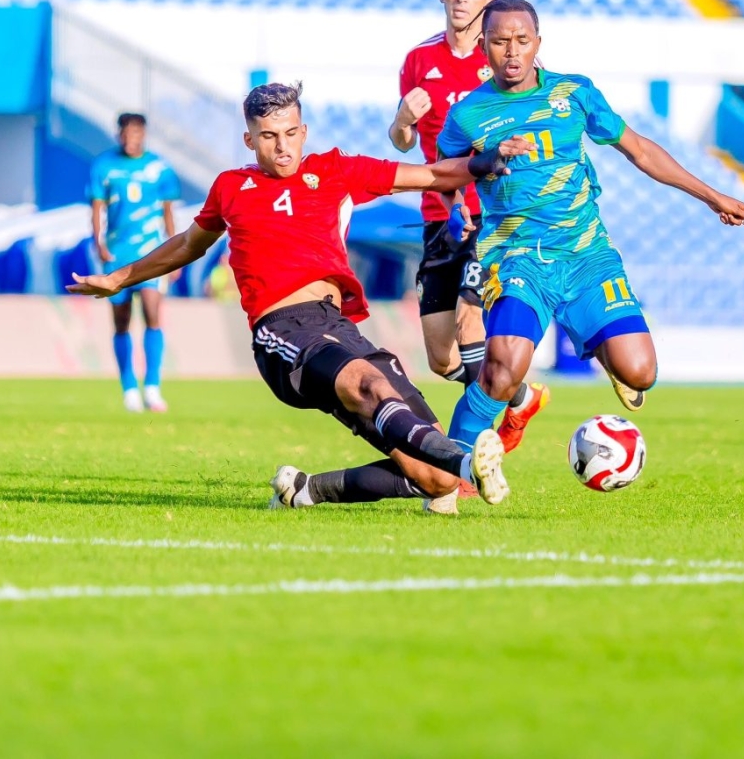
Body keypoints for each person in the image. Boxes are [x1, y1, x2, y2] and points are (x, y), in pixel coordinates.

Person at [70, 82, 529, 510]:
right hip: (282, 331)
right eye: (268, 136)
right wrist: (117, 279)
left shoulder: (334, 170)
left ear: (304, 130)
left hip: (339, 327)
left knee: (433, 480)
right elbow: (189, 244)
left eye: (291, 133)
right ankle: (467, 463)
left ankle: (306, 490)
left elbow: (429, 174)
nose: (283, 146)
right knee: (367, 384)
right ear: (250, 140)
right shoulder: (232, 187)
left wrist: (481, 163)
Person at [436, 0, 744, 453]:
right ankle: (451, 474)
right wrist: (454, 206)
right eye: (501, 41)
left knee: (641, 371)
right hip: (516, 257)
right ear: (483, 46)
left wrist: (712, 197)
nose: (512, 51)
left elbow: (640, 150)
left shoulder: (575, 93)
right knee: (504, 370)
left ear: (537, 43)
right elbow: (445, 171)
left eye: (522, 41)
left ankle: (606, 353)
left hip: (587, 254)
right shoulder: (468, 114)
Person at [389, 0, 549, 476]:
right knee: (440, 356)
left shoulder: (506, 58)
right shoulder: (418, 60)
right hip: (440, 213)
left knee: (469, 319)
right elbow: (404, 141)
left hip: (494, 216)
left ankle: (476, 450)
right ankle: (520, 395)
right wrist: (403, 120)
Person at [88, 112, 180, 413]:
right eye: (126, 133)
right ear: (119, 134)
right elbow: (97, 208)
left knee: (153, 312)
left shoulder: (159, 168)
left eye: (136, 132)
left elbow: (168, 212)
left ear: (144, 134)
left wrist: (175, 254)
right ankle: (129, 388)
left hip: (151, 254)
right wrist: (99, 243)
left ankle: (152, 388)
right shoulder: (103, 166)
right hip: (117, 255)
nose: (131, 138)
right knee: (121, 321)